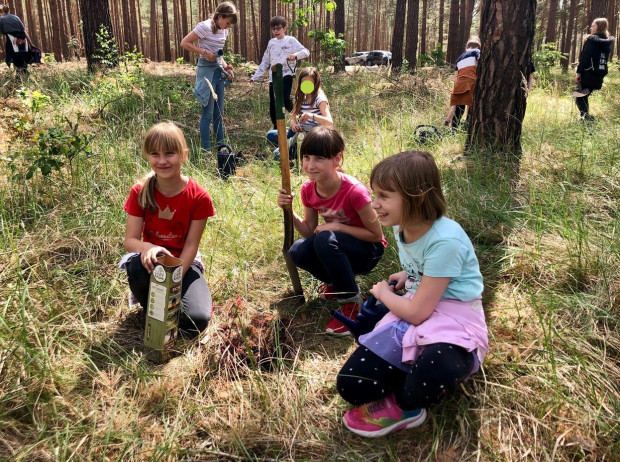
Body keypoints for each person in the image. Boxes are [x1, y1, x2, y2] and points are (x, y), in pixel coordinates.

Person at [337, 151, 488, 437]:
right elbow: (425, 265)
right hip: (420, 302)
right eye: (374, 194)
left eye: (384, 195)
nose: (374, 203)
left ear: (417, 196)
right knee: (352, 384)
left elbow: (418, 313)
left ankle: (408, 403)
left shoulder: (446, 240)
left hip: (452, 315)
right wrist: (408, 275)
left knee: (438, 365)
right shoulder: (401, 226)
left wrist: (383, 293)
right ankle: (411, 370)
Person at [276, 126, 386, 336]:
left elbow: (376, 236)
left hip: (367, 252)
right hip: (334, 246)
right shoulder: (308, 189)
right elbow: (309, 231)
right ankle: (338, 284)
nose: (310, 165)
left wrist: (336, 226)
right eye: (306, 157)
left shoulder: (355, 191)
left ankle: (352, 304)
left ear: (337, 159)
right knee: (298, 250)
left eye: (319, 158)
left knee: (325, 238)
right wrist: (289, 211)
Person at [119, 122, 216, 336]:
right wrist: (149, 247)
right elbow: (130, 240)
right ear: (148, 156)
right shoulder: (140, 191)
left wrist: (175, 278)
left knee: (198, 319)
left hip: (184, 263)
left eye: (170, 153)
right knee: (136, 267)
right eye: (155, 154)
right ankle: (154, 311)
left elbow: (191, 245)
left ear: (184, 155)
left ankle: (172, 307)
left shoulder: (199, 197)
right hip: (150, 263)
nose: (162, 161)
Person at [180, 2, 238, 154]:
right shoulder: (204, 27)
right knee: (208, 112)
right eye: (227, 22)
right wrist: (204, 52)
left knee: (219, 112)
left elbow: (218, 53)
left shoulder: (224, 31)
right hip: (206, 70)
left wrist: (225, 66)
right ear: (220, 17)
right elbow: (185, 43)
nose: (228, 27)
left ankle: (222, 147)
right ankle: (206, 150)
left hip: (218, 72)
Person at [250, 16, 310, 130]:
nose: (276, 31)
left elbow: (306, 52)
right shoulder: (271, 43)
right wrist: (255, 77)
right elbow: (265, 61)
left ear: (285, 28)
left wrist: (295, 55)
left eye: (278, 28)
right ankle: (277, 129)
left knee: (284, 98)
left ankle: (299, 118)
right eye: (273, 29)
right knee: (274, 104)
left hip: (287, 74)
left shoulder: (291, 40)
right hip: (273, 77)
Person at [266, 66, 333, 161]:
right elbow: (293, 116)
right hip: (297, 132)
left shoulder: (320, 99)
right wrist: (294, 125)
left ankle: (298, 150)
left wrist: (312, 116)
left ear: (316, 83)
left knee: (277, 155)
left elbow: (329, 122)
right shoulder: (300, 97)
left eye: (309, 83)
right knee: (270, 135)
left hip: (311, 136)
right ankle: (292, 146)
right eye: (303, 83)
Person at [574, 17, 614, 121]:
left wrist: (578, 72)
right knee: (583, 96)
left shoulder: (592, 40)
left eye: (593, 26)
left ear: (598, 27)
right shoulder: (606, 41)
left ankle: (587, 119)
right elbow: (597, 57)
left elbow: (586, 56)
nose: (590, 28)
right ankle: (586, 117)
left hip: (588, 74)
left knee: (579, 96)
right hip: (598, 73)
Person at [445, 36, 481, 131]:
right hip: (471, 82)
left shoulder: (459, 58)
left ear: (467, 47)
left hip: (459, 83)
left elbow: (456, 75)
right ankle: (468, 127)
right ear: (477, 47)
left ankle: (453, 129)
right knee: (471, 105)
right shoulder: (476, 52)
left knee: (459, 107)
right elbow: (480, 59)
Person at [0, 4, 33, 75]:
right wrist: (31, 44)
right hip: (23, 40)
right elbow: (24, 31)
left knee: (17, 59)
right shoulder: (15, 17)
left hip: (12, 40)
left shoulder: (1, 19)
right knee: (21, 58)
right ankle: (22, 77)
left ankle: (21, 78)